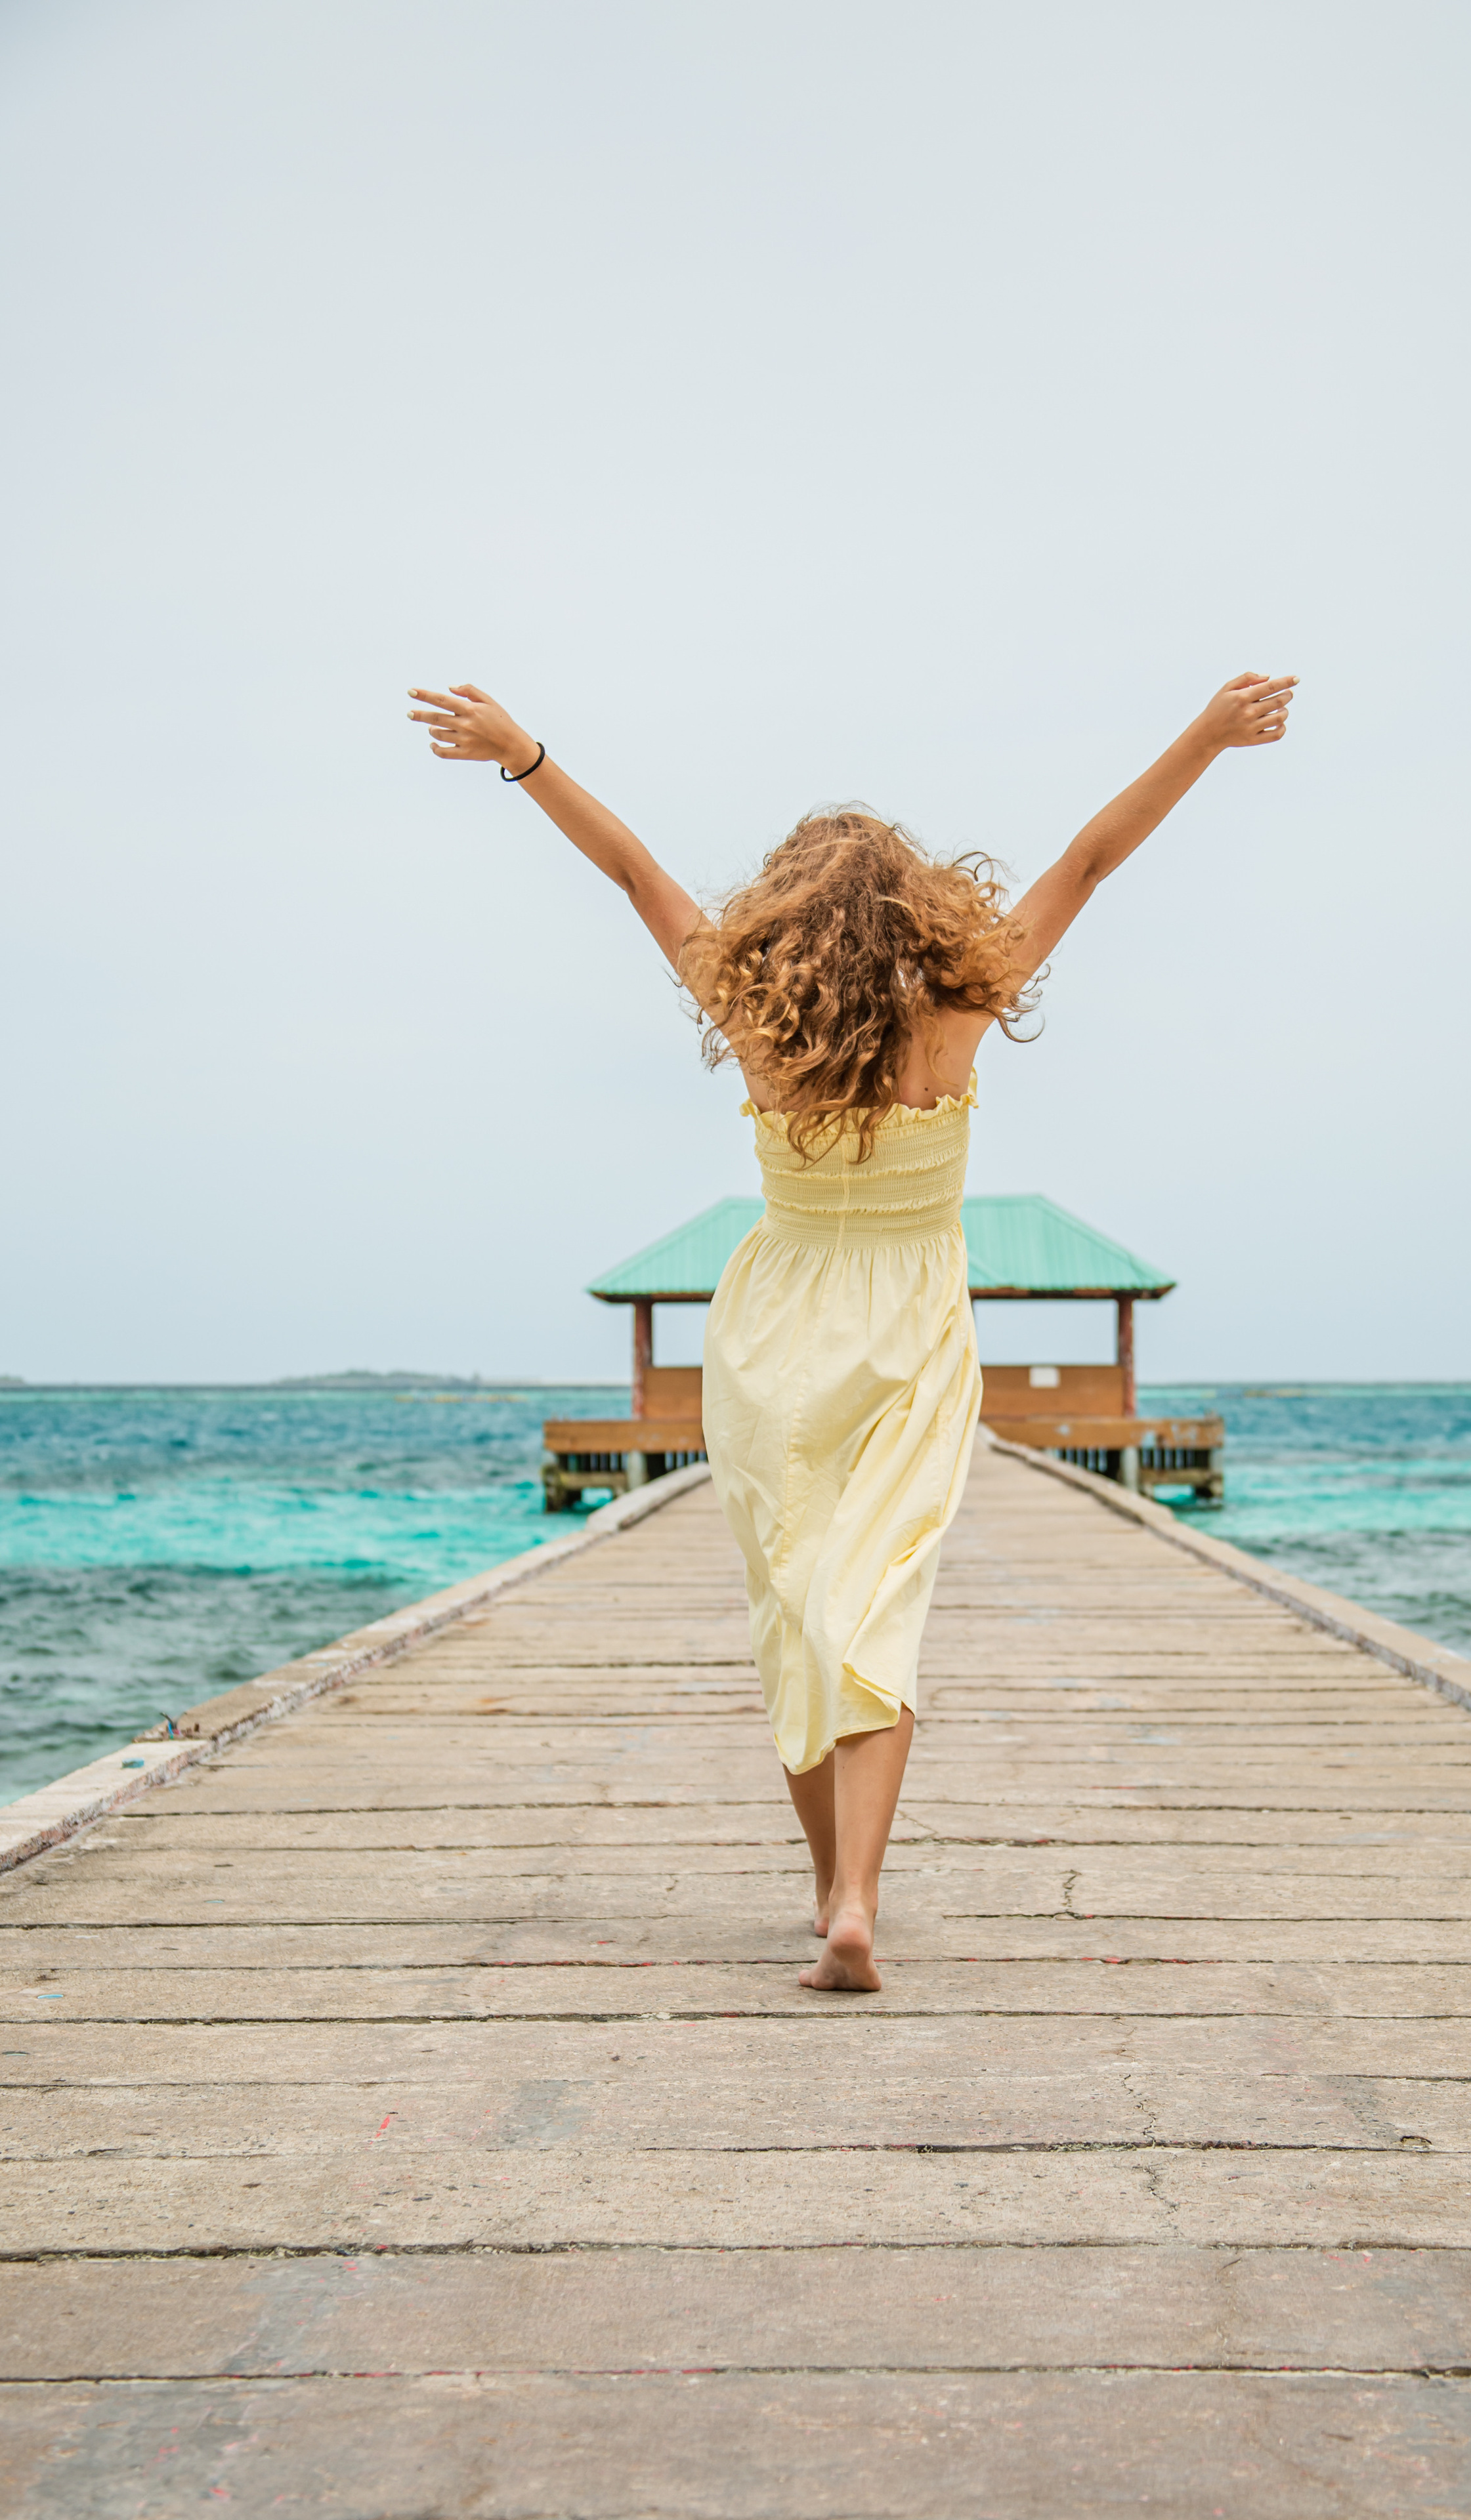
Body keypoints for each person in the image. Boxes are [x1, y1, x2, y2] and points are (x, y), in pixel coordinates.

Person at [408, 673, 1296, 1988]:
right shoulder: (962, 1008)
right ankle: (857, 1903)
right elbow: (1090, 860)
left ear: (784, 920)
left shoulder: (751, 1015)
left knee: (793, 1612)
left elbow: (633, 872)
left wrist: (523, 754)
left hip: (771, 1335)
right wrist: (1208, 737)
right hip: (909, 1334)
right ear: (915, 914)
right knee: (874, 1608)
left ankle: (830, 1889)